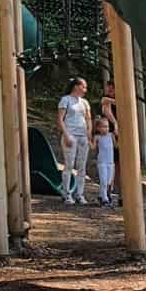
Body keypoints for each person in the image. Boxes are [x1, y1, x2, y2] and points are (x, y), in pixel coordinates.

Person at [57, 76, 92, 205]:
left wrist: (89, 133)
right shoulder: (65, 100)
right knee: (69, 165)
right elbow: (60, 119)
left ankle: (80, 194)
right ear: (76, 86)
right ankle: (66, 194)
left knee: (82, 166)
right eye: (83, 86)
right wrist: (66, 135)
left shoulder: (84, 102)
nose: (85, 89)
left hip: (82, 136)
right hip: (70, 134)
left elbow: (88, 119)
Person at [92, 115, 116, 206]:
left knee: (109, 181)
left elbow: (116, 145)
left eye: (107, 126)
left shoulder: (111, 135)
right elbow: (93, 147)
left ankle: (101, 195)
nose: (106, 128)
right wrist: (88, 140)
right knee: (103, 181)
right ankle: (105, 199)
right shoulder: (97, 137)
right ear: (98, 128)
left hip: (110, 162)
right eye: (104, 127)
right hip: (102, 162)